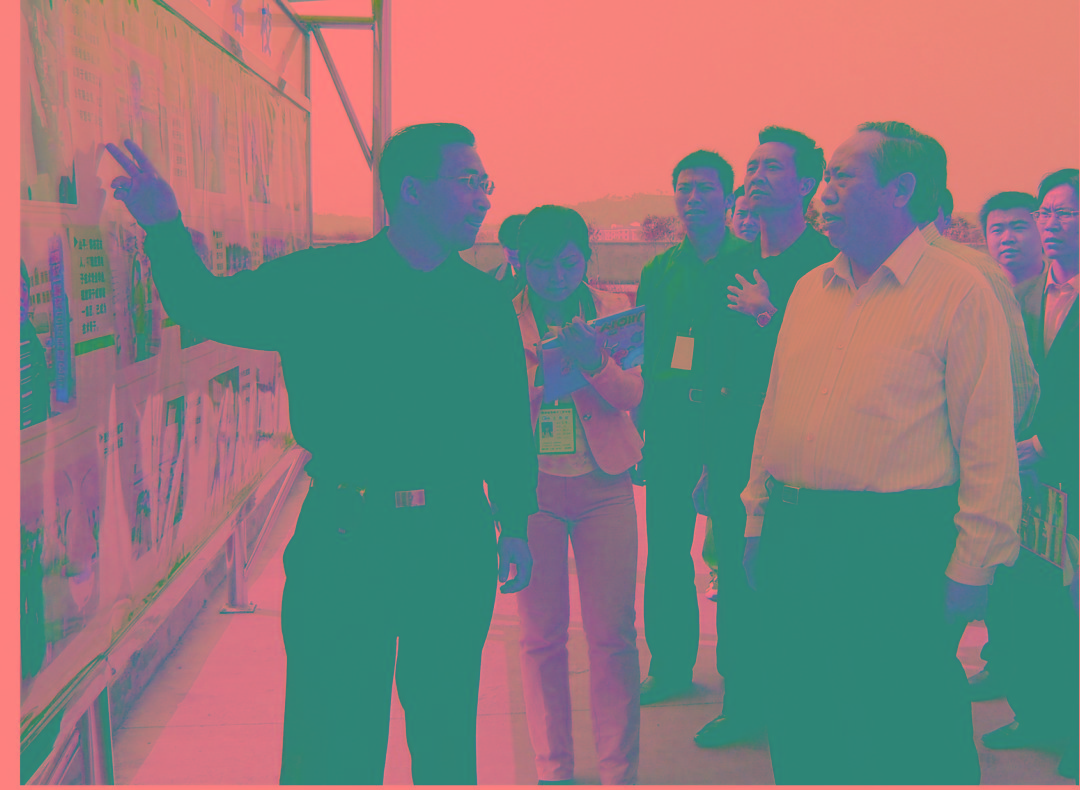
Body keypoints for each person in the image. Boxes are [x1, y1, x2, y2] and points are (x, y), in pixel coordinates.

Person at [105, 124, 539, 786]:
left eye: (486, 184)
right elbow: (206, 305)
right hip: (346, 538)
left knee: (446, 735)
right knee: (333, 743)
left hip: (453, 537)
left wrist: (515, 518)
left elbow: (505, 419)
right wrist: (164, 226)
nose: (483, 199)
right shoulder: (321, 280)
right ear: (412, 191)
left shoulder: (482, 302)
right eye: (469, 181)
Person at [743, 121, 1021, 784]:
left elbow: (988, 444)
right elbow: (776, 412)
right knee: (805, 718)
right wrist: (757, 518)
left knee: (907, 729)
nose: (825, 193)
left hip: (897, 545)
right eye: (827, 179)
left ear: (900, 190)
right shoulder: (810, 289)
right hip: (797, 532)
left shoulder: (960, 291)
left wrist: (973, 566)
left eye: (842, 177)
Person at [691, 126, 836, 749]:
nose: (756, 177)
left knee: (795, 579)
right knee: (734, 578)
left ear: (806, 185)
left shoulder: (826, 265)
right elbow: (716, 368)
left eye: (772, 167)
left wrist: (764, 312)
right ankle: (742, 700)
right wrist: (709, 461)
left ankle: (799, 702)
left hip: (799, 453)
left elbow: (829, 362)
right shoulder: (731, 264)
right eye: (752, 166)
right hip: (733, 450)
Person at [511, 205, 643, 786]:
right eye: (543, 266)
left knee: (612, 635)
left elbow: (633, 394)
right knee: (541, 637)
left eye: (569, 263)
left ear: (587, 259)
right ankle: (553, 769)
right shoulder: (500, 319)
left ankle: (618, 771)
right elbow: (488, 409)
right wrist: (541, 380)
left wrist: (594, 362)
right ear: (521, 263)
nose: (558, 278)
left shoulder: (615, 313)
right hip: (532, 489)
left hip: (605, 485)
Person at [635, 150, 751, 706]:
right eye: (684, 187)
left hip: (731, 425)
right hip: (670, 425)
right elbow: (644, 351)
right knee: (666, 549)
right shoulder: (659, 271)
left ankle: (742, 674)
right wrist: (640, 428)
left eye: (706, 187)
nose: (693, 197)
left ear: (728, 197)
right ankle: (670, 665)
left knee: (735, 550)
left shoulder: (751, 264)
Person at [983, 168, 1079, 782]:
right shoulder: (1021, 297)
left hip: (1067, 466)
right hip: (1031, 486)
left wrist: (1049, 444)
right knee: (1034, 607)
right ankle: (1041, 713)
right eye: (1046, 212)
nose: (1051, 224)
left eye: (1065, 213)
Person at [981, 191, 1047, 328]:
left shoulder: (1063, 289)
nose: (1007, 239)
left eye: (1018, 228)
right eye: (997, 230)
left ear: (1043, 230)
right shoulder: (977, 289)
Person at [491, 213, 528, 297]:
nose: (520, 263)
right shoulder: (489, 279)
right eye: (514, 258)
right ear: (502, 247)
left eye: (525, 256)